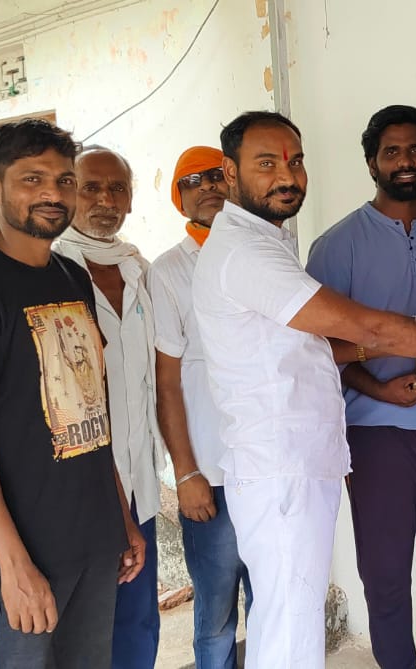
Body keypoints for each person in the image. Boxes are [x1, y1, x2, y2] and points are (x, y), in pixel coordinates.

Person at [191, 110, 416, 669]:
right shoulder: (264, 250)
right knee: (306, 617)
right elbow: (363, 330)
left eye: (295, 162)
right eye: (266, 163)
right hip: (294, 458)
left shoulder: (270, 244)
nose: (286, 175)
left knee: (297, 620)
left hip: (321, 454)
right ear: (230, 173)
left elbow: (320, 346)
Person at [0, 119, 145, 668]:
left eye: (64, 180)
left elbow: (91, 409)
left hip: (92, 538)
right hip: (20, 556)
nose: (53, 193)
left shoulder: (72, 277)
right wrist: (12, 563)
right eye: (32, 179)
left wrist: (119, 514)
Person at [305, 105, 416, 669]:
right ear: (372, 163)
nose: (406, 161)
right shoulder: (337, 246)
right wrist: (378, 391)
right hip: (374, 433)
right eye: (392, 151)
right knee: (384, 570)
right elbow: (319, 348)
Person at [50, 147, 163, 667]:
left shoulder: (139, 268)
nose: (105, 200)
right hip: (85, 484)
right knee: (90, 626)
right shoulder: (53, 269)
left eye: (117, 189)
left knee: (139, 619)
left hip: (139, 478)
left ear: (131, 199)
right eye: (90, 187)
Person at [150, 145, 252, 669]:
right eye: (192, 181)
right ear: (179, 198)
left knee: (274, 602)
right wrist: (185, 473)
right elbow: (166, 384)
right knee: (215, 614)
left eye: (215, 175)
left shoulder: (262, 250)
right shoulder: (168, 272)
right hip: (210, 472)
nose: (207, 186)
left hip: (266, 465)